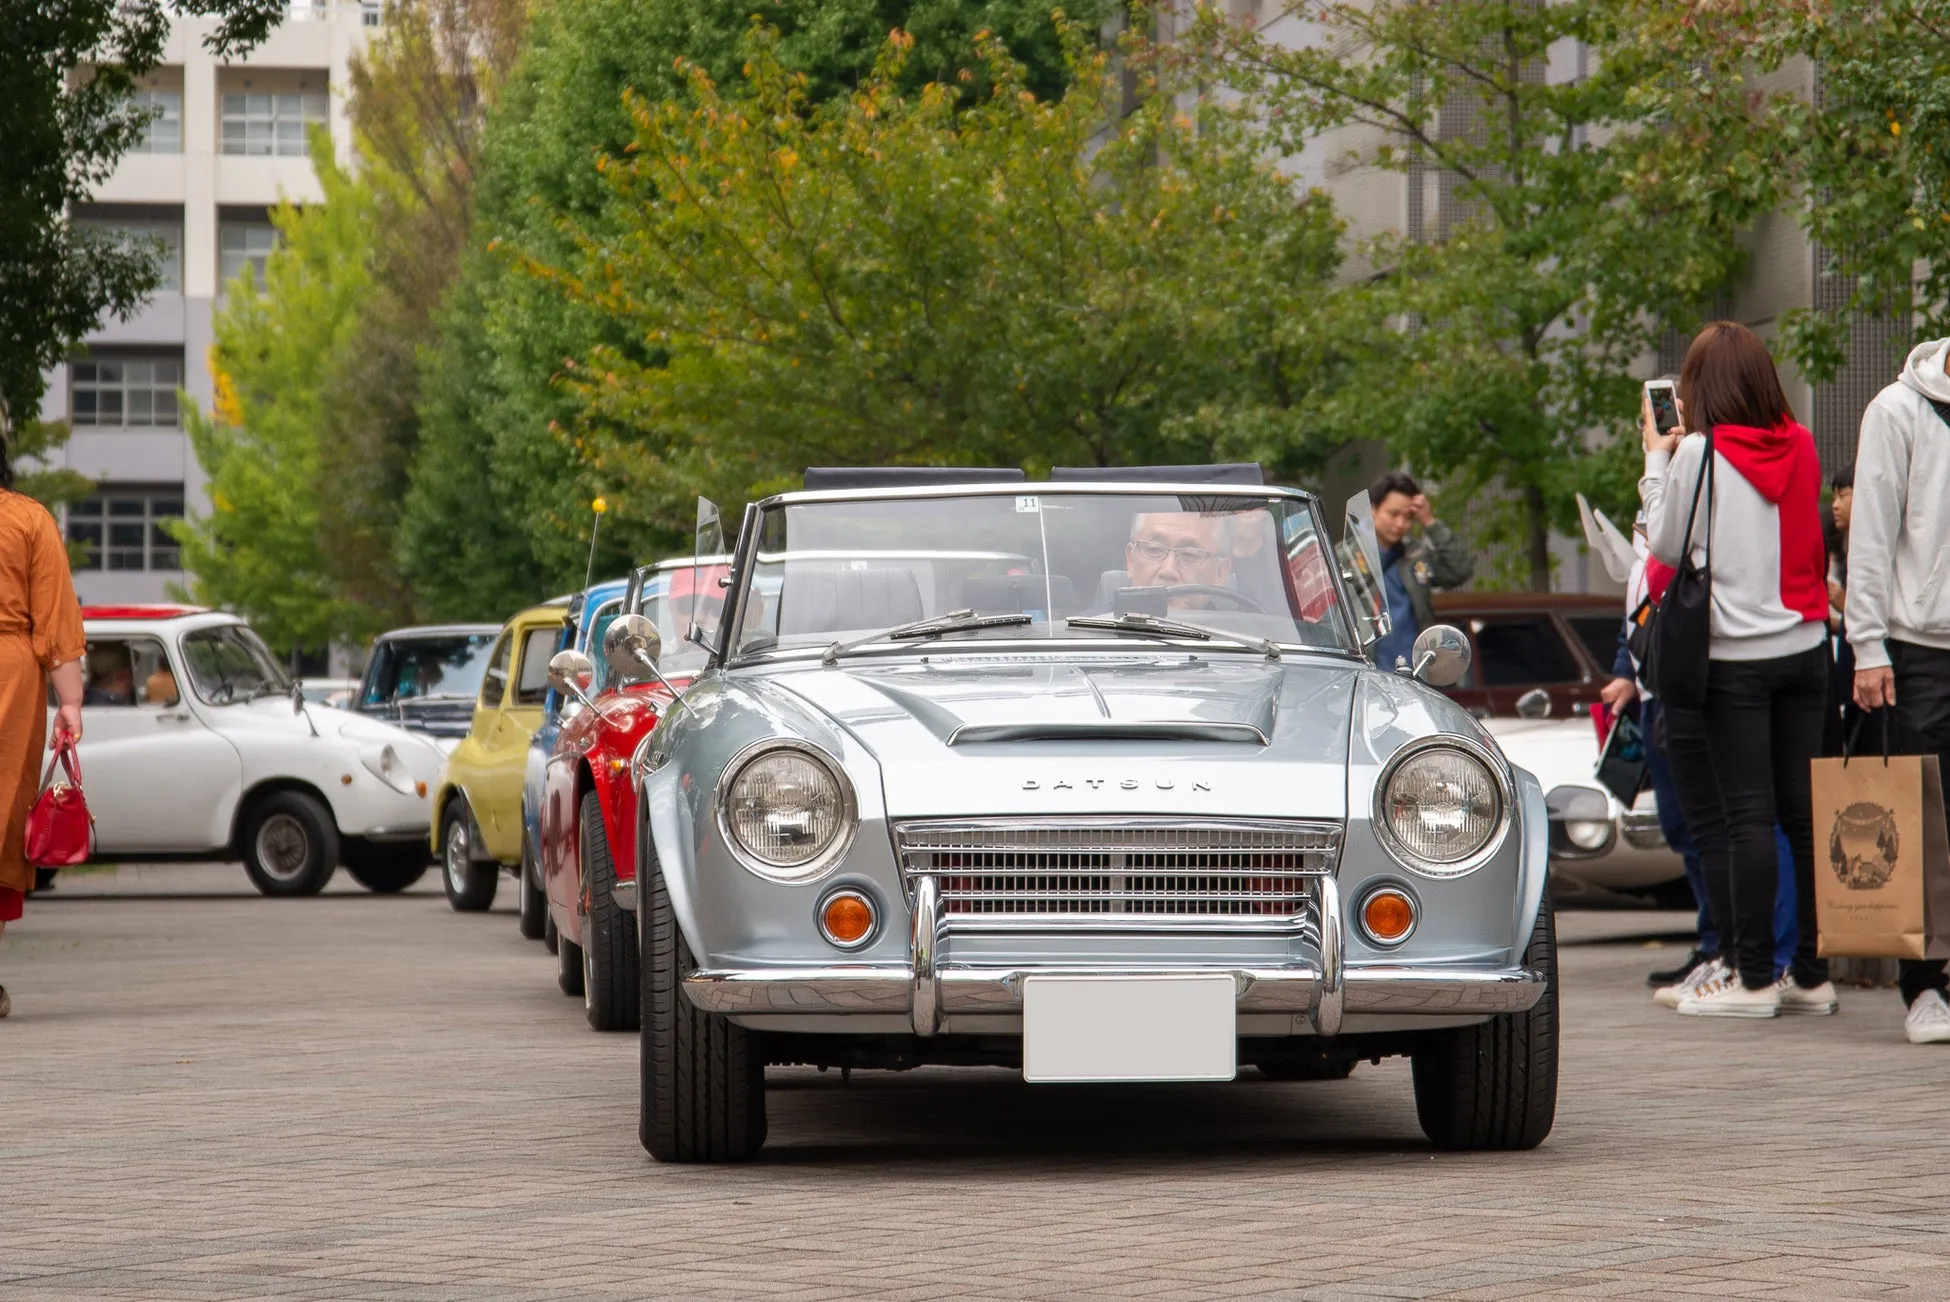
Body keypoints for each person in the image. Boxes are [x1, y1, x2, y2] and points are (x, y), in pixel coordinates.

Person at [1639, 321, 1834, 1018]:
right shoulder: (1803, 444)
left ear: (1700, 387)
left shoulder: (1699, 451)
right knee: (1801, 819)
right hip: (1806, 649)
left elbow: (1662, 541)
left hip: (1736, 659)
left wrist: (1654, 460)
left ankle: (1753, 980)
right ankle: (1811, 974)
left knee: (1747, 816)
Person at [1845, 334, 1950, 1044]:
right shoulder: (1898, 411)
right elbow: (1873, 536)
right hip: (1921, 645)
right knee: (1921, 821)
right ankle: (1924, 986)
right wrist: (1866, 644)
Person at [0, 437, 88, 1020]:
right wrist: (71, 704)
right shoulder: (28, 520)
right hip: (10, 681)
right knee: (3, 819)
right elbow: (55, 622)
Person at [1366, 472, 1474, 671]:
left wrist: (1429, 521)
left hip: (1415, 672)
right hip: (1368, 673)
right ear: (1373, 509)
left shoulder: (1415, 556)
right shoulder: (1347, 556)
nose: (1400, 524)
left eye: (1408, 517)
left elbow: (1460, 569)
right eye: (1393, 514)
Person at [1125, 512, 1235, 610]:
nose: (1168, 571)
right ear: (1131, 560)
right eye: (1154, 549)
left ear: (1220, 573)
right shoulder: (1107, 623)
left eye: (1189, 555)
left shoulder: (1236, 632)